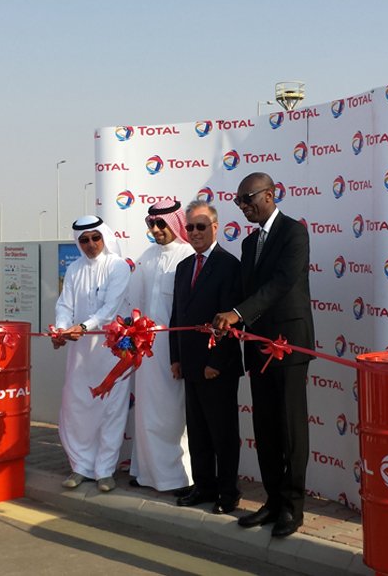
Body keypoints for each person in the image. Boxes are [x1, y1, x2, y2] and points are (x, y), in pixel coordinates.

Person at [214, 172, 314, 538]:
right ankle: (272, 501)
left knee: (289, 428)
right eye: (238, 201)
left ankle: (292, 507)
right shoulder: (248, 243)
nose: (243, 206)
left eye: (248, 198)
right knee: (266, 427)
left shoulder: (294, 233)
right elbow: (247, 291)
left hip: (288, 344)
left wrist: (237, 313)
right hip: (257, 346)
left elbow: (281, 283)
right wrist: (225, 317)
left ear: (269, 195)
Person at [170, 201, 244, 514]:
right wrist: (175, 357)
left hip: (217, 367)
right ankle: (203, 486)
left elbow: (232, 320)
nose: (195, 232)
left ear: (215, 227)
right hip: (189, 364)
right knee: (198, 431)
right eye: (190, 227)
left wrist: (216, 362)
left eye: (201, 226)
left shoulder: (229, 265)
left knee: (222, 433)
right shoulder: (184, 267)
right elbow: (177, 316)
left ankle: (227, 492)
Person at [51, 216, 132, 493]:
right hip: (80, 353)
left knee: (111, 411)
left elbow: (110, 309)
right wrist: (62, 329)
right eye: (84, 240)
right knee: (76, 410)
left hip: (112, 352)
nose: (91, 244)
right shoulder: (74, 269)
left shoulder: (118, 266)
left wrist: (83, 327)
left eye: (95, 238)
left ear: (104, 237)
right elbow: (65, 305)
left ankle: (105, 471)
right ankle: (80, 466)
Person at [126, 200, 195, 494]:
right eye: (151, 224)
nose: (155, 230)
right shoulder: (146, 257)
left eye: (161, 223)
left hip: (175, 350)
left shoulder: (188, 256)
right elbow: (134, 302)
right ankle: (146, 473)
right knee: (146, 412)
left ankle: (177, 477)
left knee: (173, 414)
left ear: (176, 223)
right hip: (147, 350)